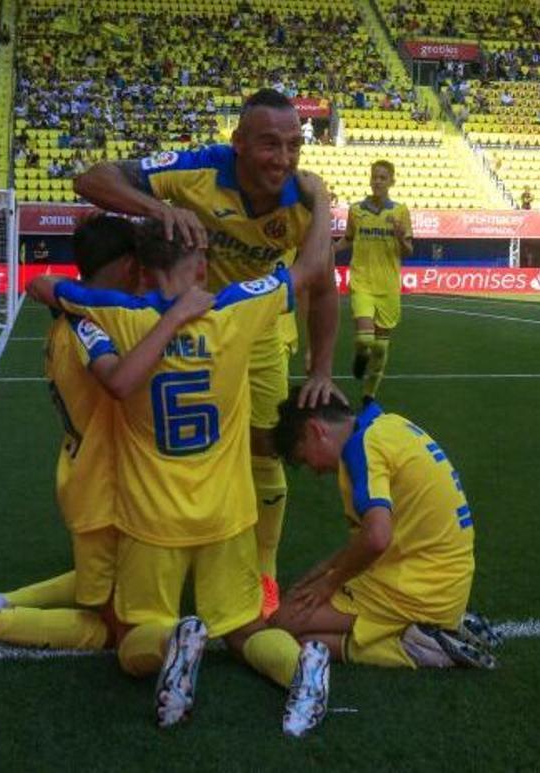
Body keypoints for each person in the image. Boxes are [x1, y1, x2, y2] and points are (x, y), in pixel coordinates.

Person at [25, 202, 336, 737]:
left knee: (133, 640)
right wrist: (320, 198)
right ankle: (300, 667)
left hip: (153, 519)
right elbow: (311, 268)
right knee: (244, 629)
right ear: (201, 266)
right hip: (228, 512)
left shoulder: (119, 314)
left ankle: (175, 640)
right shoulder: (237, 306)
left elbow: (44, 286)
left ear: (142, 269)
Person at [72, 88, 343, 616]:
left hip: (258, 327)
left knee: (262, 447)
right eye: (269, 145)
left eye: (293, 147)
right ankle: (150, 542)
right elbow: (91, 179)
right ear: (237, 143)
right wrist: (157, 207)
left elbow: (325, 285)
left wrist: (322, 368)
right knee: (167, 437)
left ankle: (262, 570)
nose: (283, 160)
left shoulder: (303, 201)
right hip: (183, 321)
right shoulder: (196, 170)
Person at [0, 216, 211, 655]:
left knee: (113, 579)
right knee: (109, 630)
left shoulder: (76, 314)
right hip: (103, 489)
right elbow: (119, 379)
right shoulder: (90, 325)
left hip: (87, 474)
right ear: (132, 267)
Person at [267, 390, 500, 671]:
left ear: (316, 430)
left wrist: (328, 584)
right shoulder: (389, 425)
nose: (314, 470)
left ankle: (421, 646)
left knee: (282, 624)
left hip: (417, 587)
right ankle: (429, 627)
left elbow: (377, 539)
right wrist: (323, 571)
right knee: (306, 630)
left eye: (305, 459)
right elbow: (370, 538)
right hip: (442, 580)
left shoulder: (361, 449)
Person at [333, 160, 412, 404]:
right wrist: (326, 254)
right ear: (370, 179)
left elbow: (408, 250)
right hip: (362, 281)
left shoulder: (400, 212)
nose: (378, 181)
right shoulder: (356, 210)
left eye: (383, 178)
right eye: (374, 177)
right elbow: (347, 239)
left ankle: (369, 394)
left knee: (381, 348)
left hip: (388, 286)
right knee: (365, 340)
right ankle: (360, 355)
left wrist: (400, 237)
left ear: (391, 182)